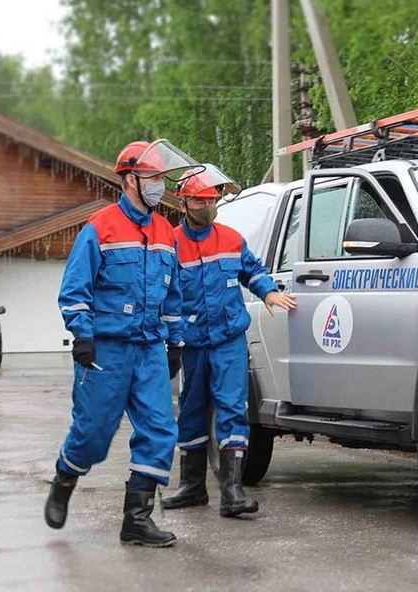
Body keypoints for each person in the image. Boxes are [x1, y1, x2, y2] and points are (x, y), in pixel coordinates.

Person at [45, 140, 194, 547]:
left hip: (149, 349)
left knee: (161, 430)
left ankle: (137, 520)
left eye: (163, 177)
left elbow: (173, 294)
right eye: (153, 178)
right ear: (130, 179)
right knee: (94, 434)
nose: (160, 185)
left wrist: (176, 343)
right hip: (106, 351)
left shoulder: (166, 231)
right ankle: (64, 477)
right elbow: (75, 289)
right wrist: (83, 336)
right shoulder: (100, 227)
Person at [162, 165, 295, 517]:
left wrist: (267, 293)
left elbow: (252, 270)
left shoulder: (231, 239)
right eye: (203, 199)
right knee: (191, 412)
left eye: (213, 199)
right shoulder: (171, 245)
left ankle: (233, 492)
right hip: (191, 345)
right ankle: (192, 487)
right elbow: (161, 292)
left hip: (229, 342)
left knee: (233, 410)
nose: (210, 205)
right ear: (185, 202)